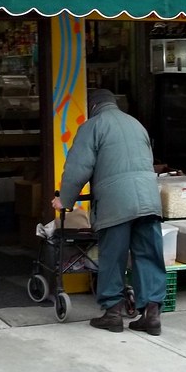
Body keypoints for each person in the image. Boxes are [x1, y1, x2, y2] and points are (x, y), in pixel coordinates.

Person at [51, 88, 166, 334]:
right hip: (148, 200)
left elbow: (78, 167)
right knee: (148, 255)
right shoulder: (136, 125)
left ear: (92, 106)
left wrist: (66, 199)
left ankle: (113, 313)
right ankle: (152, 315)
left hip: (116, 204)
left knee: (113, 257)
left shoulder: (93, 126)